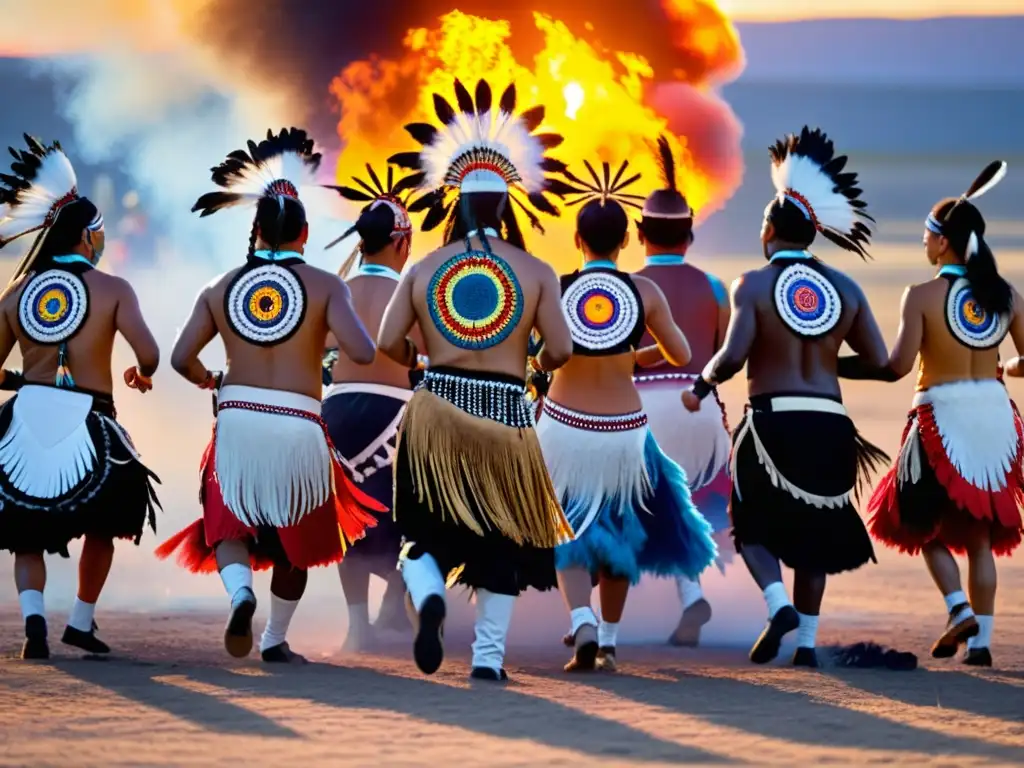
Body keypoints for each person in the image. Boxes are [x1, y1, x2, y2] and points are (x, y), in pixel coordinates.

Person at [155, 128, 386, 663]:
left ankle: (240, 595)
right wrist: (318, 337)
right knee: (296, 538)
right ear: (304, 233)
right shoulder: (328, 286)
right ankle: (274, 639)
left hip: (237, 422)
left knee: (230, 522)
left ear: (257, 231)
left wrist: (211, 381)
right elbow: (363, 350)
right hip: (300, 422)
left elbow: (180, 358)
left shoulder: (220, 286)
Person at [382, 77, 574, 681]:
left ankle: (429, 593)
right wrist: (535, 366)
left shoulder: (424, 266)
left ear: (454, 205)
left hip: (435, 408)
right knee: (502, 541)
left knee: (422, 531)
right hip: (508, 417)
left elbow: (389, 342)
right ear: (508, 205)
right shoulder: (537, 270)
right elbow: (563, 350)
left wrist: (421, 360)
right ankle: (487, 660)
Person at [682, 126, 889, 667]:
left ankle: (777, 606)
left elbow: (731, 356)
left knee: (749, 524)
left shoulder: (750, 284)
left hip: (772, 425)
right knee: (813, 534)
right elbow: (883, 365)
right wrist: (825, 364)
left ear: (771, 229)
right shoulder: (848, 289)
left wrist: (701, 385)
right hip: (830, 425)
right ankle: (805, 647)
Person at [536, 157, 717, 672]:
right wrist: (635, 356)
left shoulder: (560, 287)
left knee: (564, 527)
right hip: (625, 434)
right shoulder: (645, 291)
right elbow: (681, 354)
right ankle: (610, 644)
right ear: (624, 243)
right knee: (619, 532)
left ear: (577, 240)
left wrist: (546, 359)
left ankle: (582, 619)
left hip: (563, 427)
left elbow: (552, 355)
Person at [840, 161, 1023, 667]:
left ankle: (958, 606)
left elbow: (897, 367)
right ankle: (982, 644)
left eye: (927, 236)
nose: (923, 244)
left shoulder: (920, 296)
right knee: (980, 536)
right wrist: (1006, 362)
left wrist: (834, 366)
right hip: (993, 420)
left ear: (943, 243)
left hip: (939, 420)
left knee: (918, 523)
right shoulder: (1005, 296)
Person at [0, 135, 161, 659]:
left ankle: (32, 622)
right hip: (92, 420)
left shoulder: (18, 294)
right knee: (107, 520)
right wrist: (141, 373)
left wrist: (21, 384)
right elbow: (150, 352)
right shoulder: (114, 289)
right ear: (89, 237)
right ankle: (80, 621)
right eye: (102, 232)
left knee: (24, 529)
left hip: (25, 419)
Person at [632, 136, 733, 647]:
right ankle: (697, 593)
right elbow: (718, 357)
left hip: (643, 411)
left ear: (639, 232)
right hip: (703, 413)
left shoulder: (624, 287)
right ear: (690, 235)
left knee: (622, 505)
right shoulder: (717, 288)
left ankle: (596, 621)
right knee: (692, 504)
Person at [323, 164, 421, 650]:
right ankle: (396, 602)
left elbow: (319, 346)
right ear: (401, 243)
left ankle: (360, 624)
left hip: (337, 412)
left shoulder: (335, 291)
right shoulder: (411, 291)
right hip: (398, 419)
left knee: (349, 518)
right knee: (417, 521)